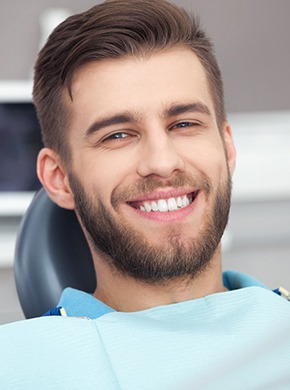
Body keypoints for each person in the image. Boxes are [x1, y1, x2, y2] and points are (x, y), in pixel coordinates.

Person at [1, 0, 290, 388]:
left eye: (184, 123)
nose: (162, 161)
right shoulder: (18, 367)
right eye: (117, 134)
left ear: (227, 148)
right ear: (59, 178)